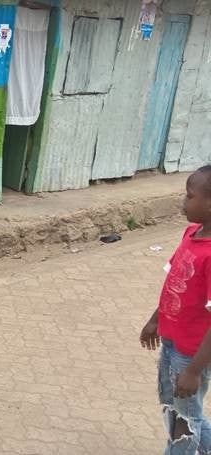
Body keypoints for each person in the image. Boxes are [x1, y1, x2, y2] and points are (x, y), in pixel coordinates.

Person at [140, 166, 211, 454]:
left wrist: (194, 370)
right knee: (179, 411)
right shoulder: (191, 233)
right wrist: (155, 320)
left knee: (183, 421)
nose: (183, 202)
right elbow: (175, 282)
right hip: (172, 343)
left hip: (192, 354)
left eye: (189, 196)